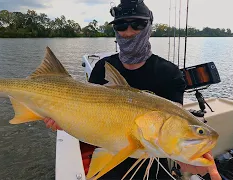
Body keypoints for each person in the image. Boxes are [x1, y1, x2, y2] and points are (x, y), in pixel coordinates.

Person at [44, 0, 222, 179]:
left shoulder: (169, 73)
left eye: (137, 24)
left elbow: (172, 125)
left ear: (149, 27)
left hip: (150, 163)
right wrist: (64, 121)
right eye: (121, 25)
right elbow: (88, 115)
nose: (128, 32)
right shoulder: (102, 67)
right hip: (108, 158)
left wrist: (187, 159)